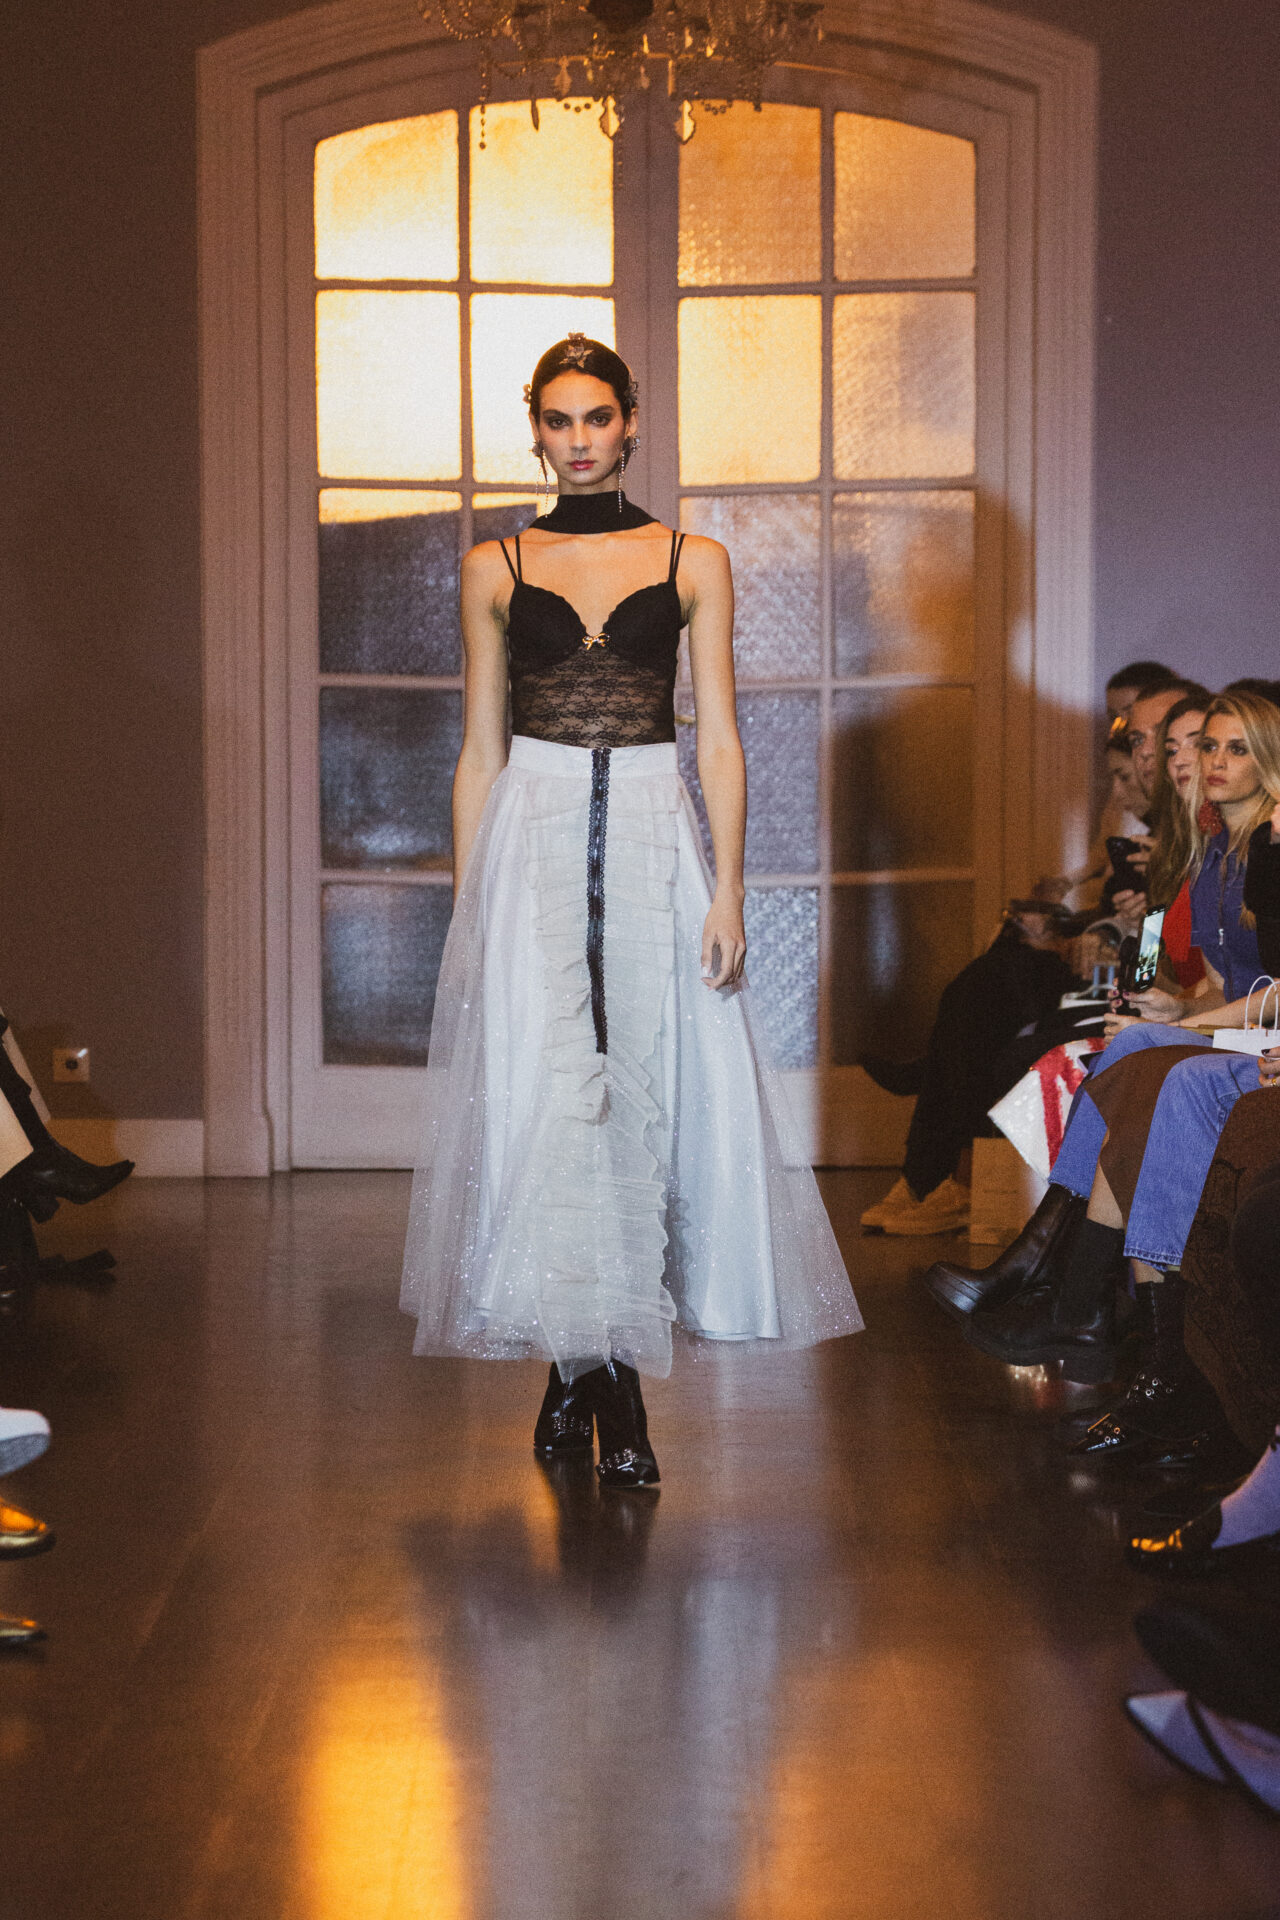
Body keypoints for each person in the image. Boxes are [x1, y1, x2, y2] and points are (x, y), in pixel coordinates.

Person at [398, 334, 862, 1488]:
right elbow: (478, 750)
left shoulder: (693, 558)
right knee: (553, 1099)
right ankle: (610, 1391)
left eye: (596, 417)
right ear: (535, 430)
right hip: (533, 833)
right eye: (557, 420)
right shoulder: (495, 564)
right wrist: (469, 904)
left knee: (646, 1099)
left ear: (630, 423)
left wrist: (731, 886)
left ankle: (583, 1379)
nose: (578, 440)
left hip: (654, 828)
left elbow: (721, 739)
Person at [935, 693, 1280, 1387]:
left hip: (1256, 1031)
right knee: (1094, 1041)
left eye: (1222, 748)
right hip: (1226, 1017)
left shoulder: (1250, 849)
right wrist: (1157, 988)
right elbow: (1189, 970)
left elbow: (1228, 978)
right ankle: (1064, 1286)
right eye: (1187, 747)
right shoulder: (1201, 847)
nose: (1192, 761)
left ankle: (1062, 1285)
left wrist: (1172, 1012)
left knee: (1126, 1054)